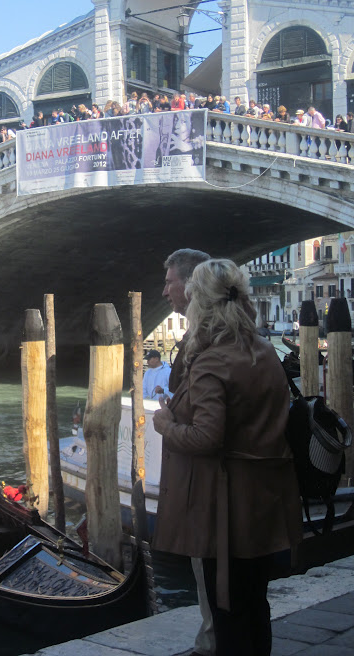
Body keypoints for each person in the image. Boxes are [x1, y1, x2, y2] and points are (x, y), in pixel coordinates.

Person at [154, 259, 302, 656]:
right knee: (255, 603)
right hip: (265, 497)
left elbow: (205, 437)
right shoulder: (264, 350)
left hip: (225, 508)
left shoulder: (211, 361)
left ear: (201, 302)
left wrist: (166, 424)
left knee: (229, 610)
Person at [161, 248, 213, 656]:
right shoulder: (248, 346)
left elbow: (206, 433)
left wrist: (167, 425)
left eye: (169, 282)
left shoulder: (207, 351)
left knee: (215, 575)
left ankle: (212, 644)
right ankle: (212, 638)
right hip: (220, 485)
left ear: (192, 286)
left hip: (212, 486)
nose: (164, 292)